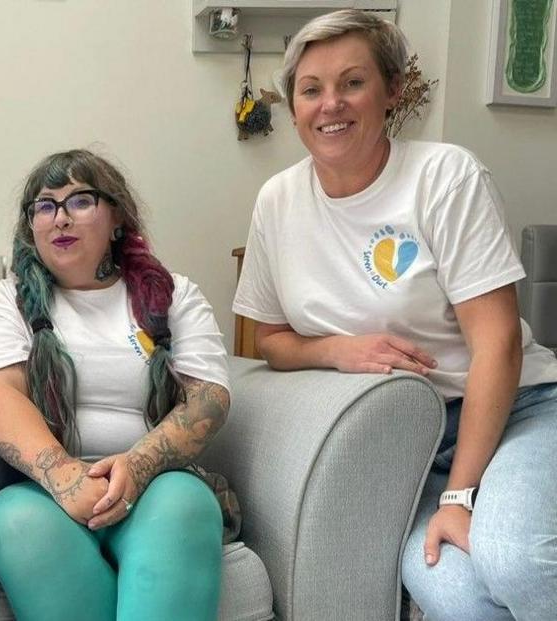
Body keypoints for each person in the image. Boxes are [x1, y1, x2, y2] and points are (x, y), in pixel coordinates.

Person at [232, 10, 557, 620]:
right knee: (457, 599)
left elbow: (500, 347)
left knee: (517, 561)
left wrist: (460, 495)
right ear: (294, 105)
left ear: (392, 91)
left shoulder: (445, 176)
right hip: (406, 444)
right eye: (311, 89)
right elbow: (269, 340)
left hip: (517, 412)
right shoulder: (277, 200)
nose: (331, 104)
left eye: (352, 83)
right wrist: (335, 349)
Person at [0, 149, 230, 621]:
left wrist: (140, 463)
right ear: (31, 227)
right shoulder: (6, 300)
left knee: (187, 506)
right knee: (14, 520)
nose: (60, 219)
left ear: (116, 219)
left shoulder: (175, 293)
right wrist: (64, 476)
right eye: (44, 206)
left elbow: (208, 398)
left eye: (80, 201)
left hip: (156, 486)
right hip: (41, 492)